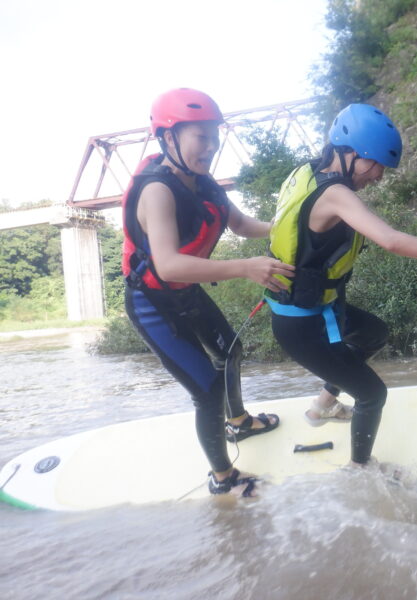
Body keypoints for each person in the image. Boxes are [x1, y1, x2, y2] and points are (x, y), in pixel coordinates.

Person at [266, 103, 417, 467]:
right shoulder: (335, 194)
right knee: (372, 394)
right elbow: (391, 240)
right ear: (347, 152)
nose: (379, 175)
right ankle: (360, 471)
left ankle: (323, 403)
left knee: (374, 333)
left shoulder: (305, 173)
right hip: (302, 323)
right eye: (374, 163)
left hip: (316, 308)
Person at [122, 88, 295, 497]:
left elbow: (239, 224)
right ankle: (223, 477)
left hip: (186, 293)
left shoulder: (203, 183)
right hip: (153, 304)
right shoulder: (157, 191)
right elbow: (168, 264)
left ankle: (238, 422)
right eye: (201, 136)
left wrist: (287, 225)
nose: (212, 146)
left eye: (214, 136)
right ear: (169, 138)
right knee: (207, 391)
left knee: (230, 351)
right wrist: (245, 268)